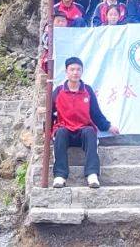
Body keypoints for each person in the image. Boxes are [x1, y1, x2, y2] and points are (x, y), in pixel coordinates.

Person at [51, 56, 120, 188]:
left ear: (82, 72)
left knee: (90, 132)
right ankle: (60, 175)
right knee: (60, 132)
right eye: (72, 69)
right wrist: (48, 132)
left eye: (78, 69)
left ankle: (92, 174)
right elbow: (50, 114)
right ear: (66, 71)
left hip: (82, 130)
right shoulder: (58, 91)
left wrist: (108, 126)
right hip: (65, 130)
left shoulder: (87, 90)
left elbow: (95, 113)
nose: (75, 72)